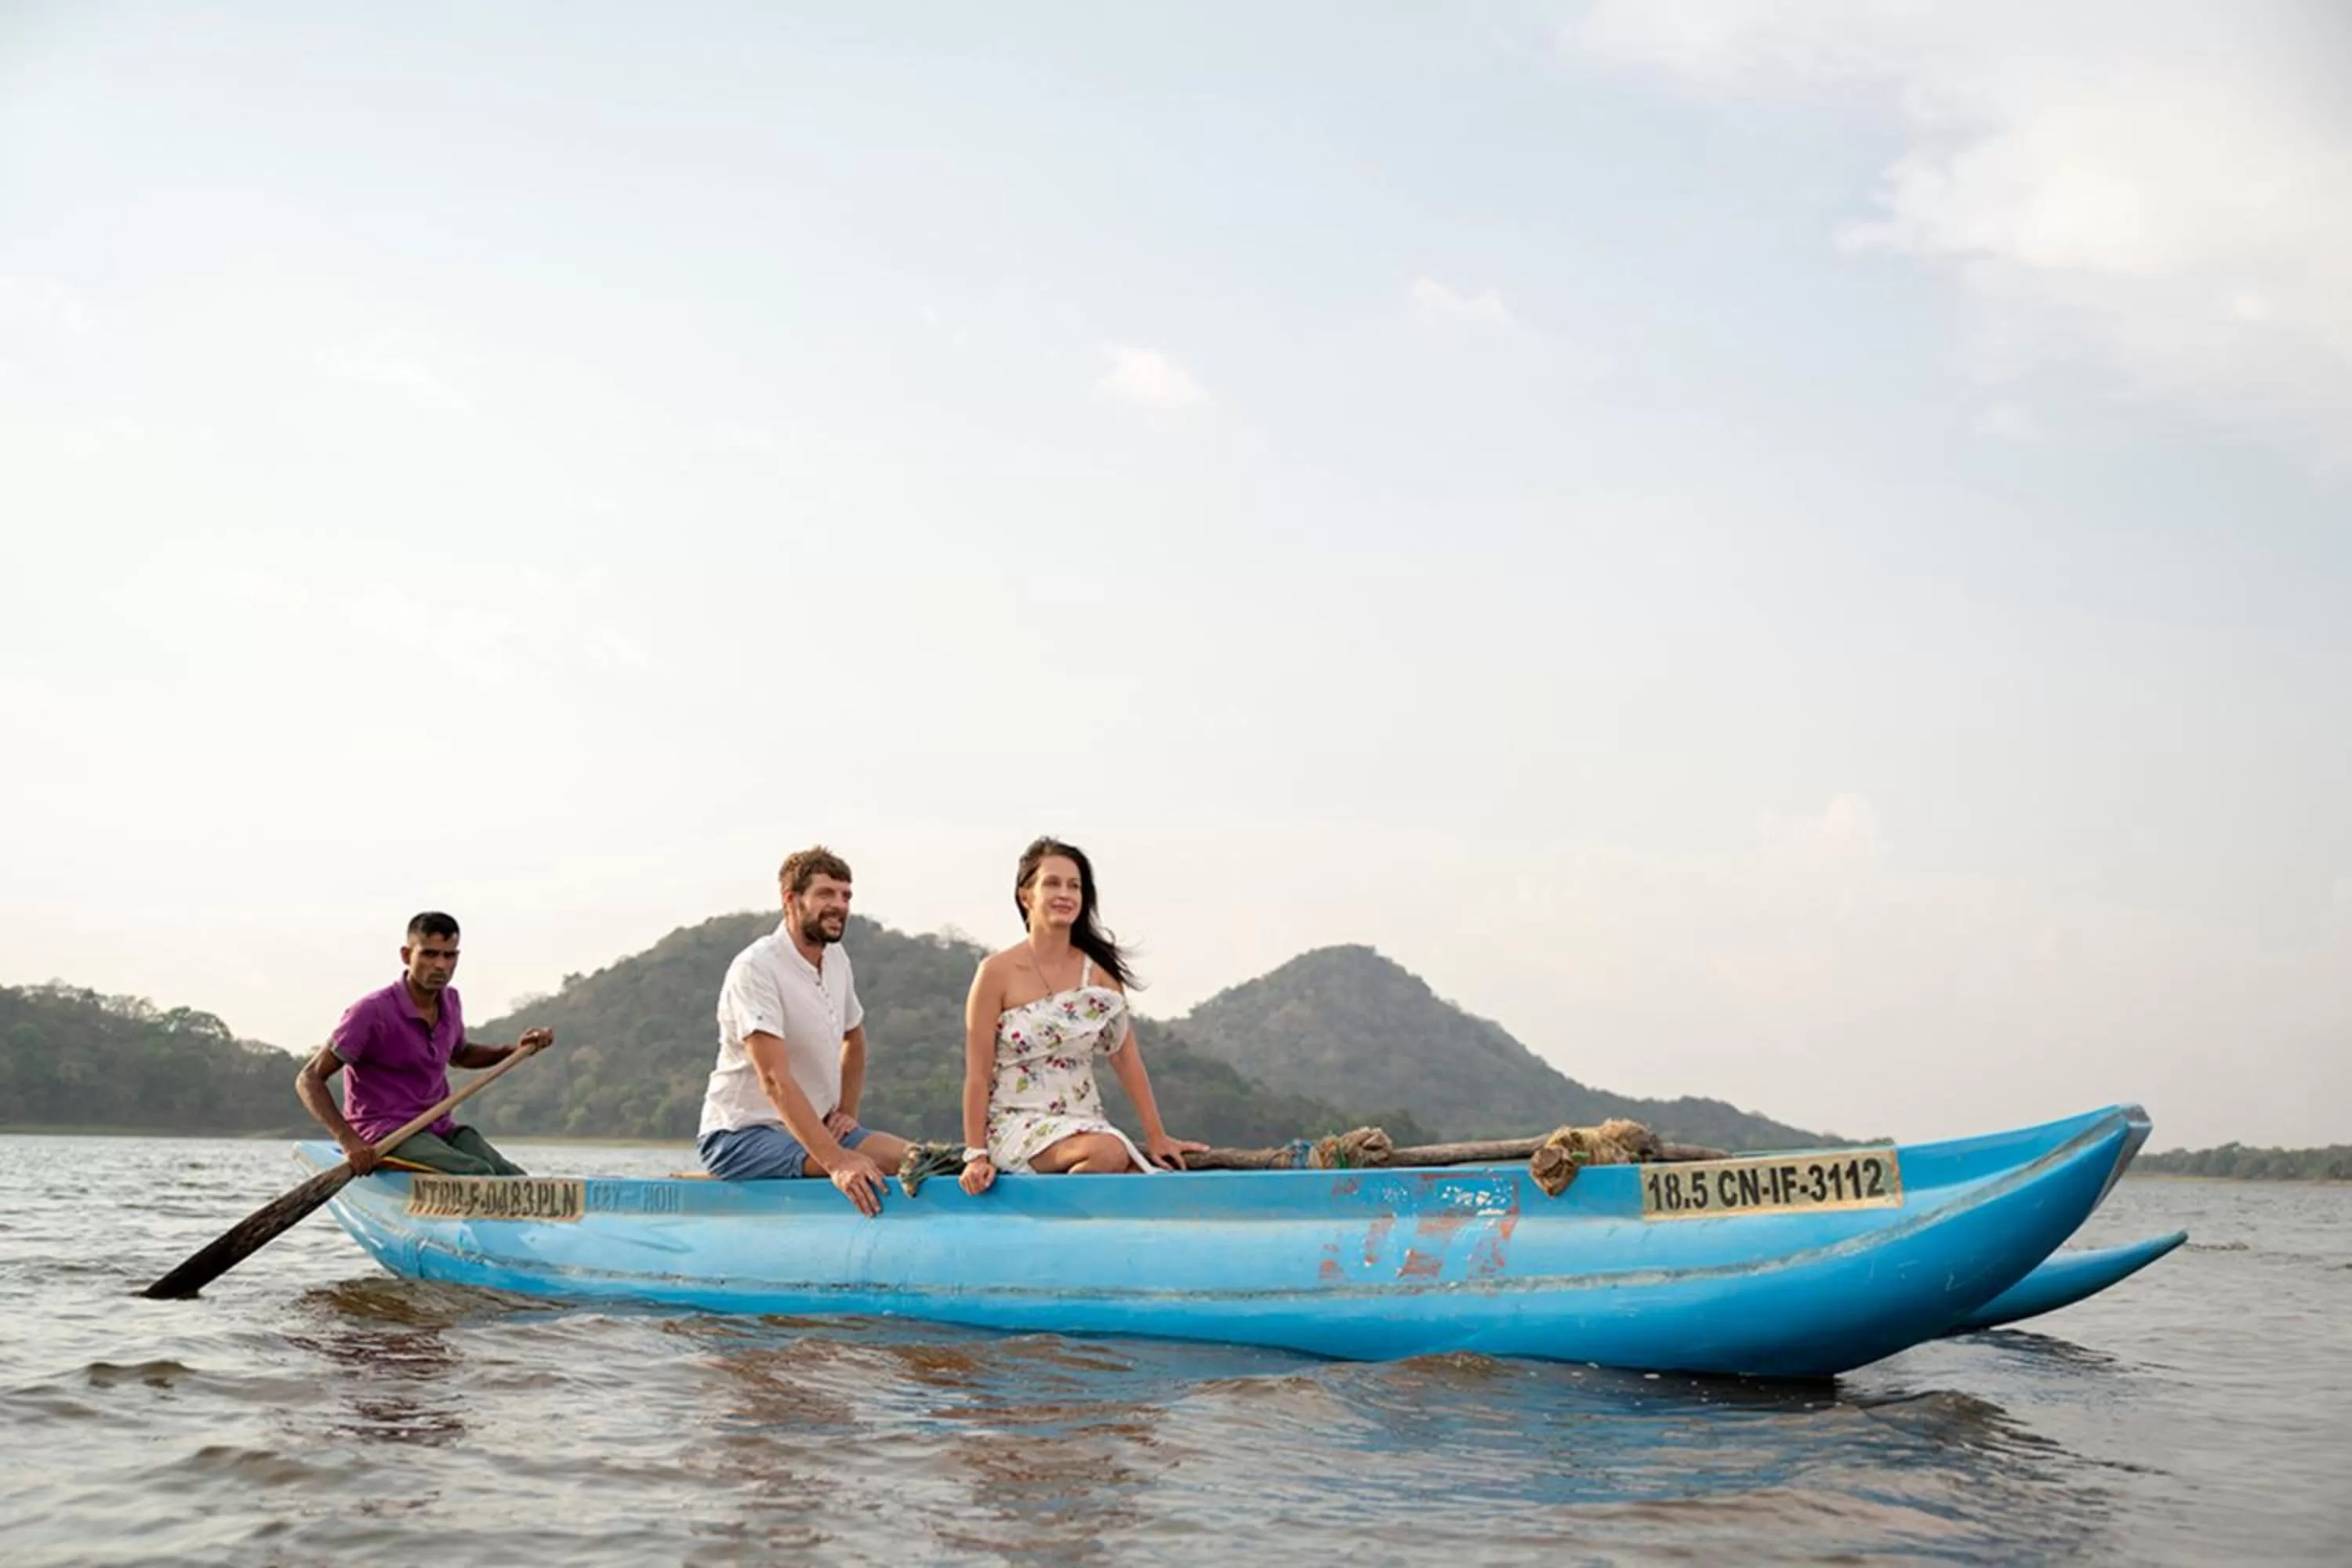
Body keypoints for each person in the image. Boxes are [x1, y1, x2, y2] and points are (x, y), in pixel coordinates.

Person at [959, 837, 1206, 1196]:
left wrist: (1157, 1136)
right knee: (1110, 1152)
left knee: (1134, 1175)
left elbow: (1125, 1057)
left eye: (1075, 886)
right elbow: (977, 1073)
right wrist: (976, 1154)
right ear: (1026, 896)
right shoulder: (995, 972)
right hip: (1016, 1122)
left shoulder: (1100, 976)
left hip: (1083, 1124)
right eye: (1053, 883)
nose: (1066, 894)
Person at [697, 846, 911, 1216]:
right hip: (742, 1136)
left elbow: (854, 1039)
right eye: (825, 894)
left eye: (846, 896)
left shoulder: (837, 960)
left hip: (819, 1129)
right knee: (868, 1169)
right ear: (791, 899)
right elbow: (774, 1079)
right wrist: (838, 1163)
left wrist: (846, 1112)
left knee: (918, 1160)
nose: (839, 905)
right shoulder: (755, 967)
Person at [295, 911, 554, 1176]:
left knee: (514, 1179)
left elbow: (461, 1054)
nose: (441, 965)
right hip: (386, 1134)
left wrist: (514, 1049)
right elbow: (309, 1079)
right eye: (430, 954)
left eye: (449, 955)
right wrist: (349, 1141)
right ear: (407, 956)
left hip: (438, 1128)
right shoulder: (372, 1012)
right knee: (476, 1174)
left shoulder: (450, 1001)